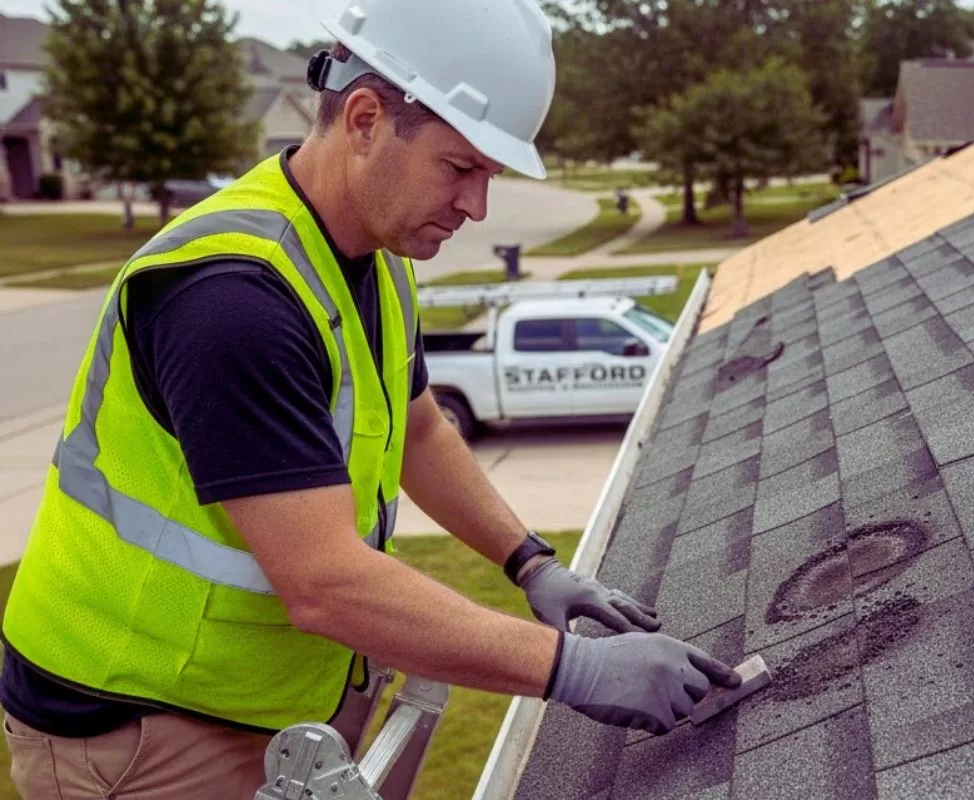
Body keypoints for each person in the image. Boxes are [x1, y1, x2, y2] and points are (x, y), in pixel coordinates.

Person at [0, 1, 739, 797]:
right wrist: (576, 669)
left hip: (276, 697)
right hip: (141, 727)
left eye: (489, 176)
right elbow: (324, 582)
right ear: (363, 118)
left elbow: (418, 430)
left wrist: (529, 562)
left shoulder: (375, 259)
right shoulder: (229, 301)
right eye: (460, 169)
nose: (476, 206)